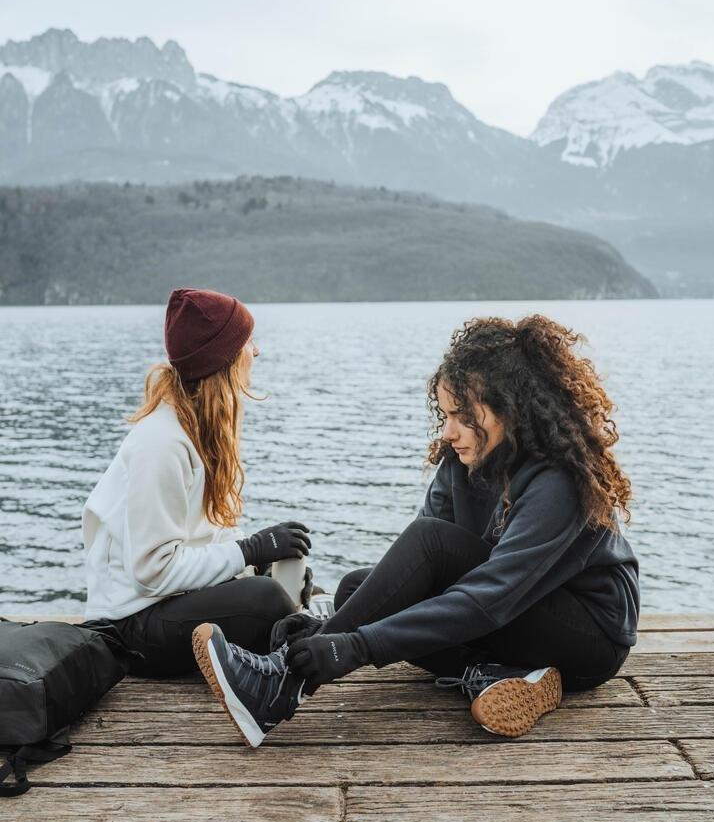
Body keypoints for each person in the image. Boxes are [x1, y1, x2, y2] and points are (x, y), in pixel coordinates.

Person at [191, 314, 640, 745]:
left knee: (404, 575)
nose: (449, 432)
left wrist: (349, 647)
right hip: (507, 610)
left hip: (587, 636)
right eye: (445, 415)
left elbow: (484, 593)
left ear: (511, 409)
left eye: (464, 416)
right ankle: (496, 675)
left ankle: (284, 685)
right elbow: (416, 574)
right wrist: (324, 632)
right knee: (356, 591)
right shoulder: (464, 462)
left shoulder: (558, 482)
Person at [81, 287, 312, 677]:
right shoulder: (162, 443)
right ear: (223, 359)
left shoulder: (193, 429)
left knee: (273, 590)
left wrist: (256, 564)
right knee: (266, 602)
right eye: (247, 342)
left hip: (163, 604)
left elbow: (203, 539)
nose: (256, 352)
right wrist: (249, 550)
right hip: (125, 629)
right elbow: (152, 570)